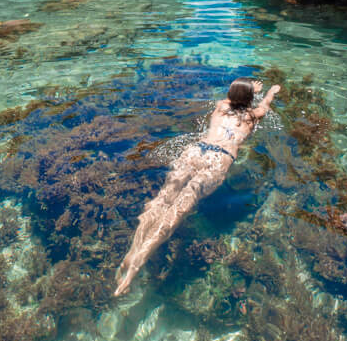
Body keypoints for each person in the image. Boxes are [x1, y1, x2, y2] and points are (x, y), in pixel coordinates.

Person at [115, 78, 281, 296]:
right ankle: (136, 265)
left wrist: (247, 91)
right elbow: (265, 105)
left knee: (161, 200)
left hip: (196, 151)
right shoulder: (253, 116)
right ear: (250, 100)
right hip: (219, 158)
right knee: (177, 211)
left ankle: (132, 252)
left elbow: (234, 98)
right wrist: (269, 92)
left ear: (230, 96)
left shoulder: (220, 106)